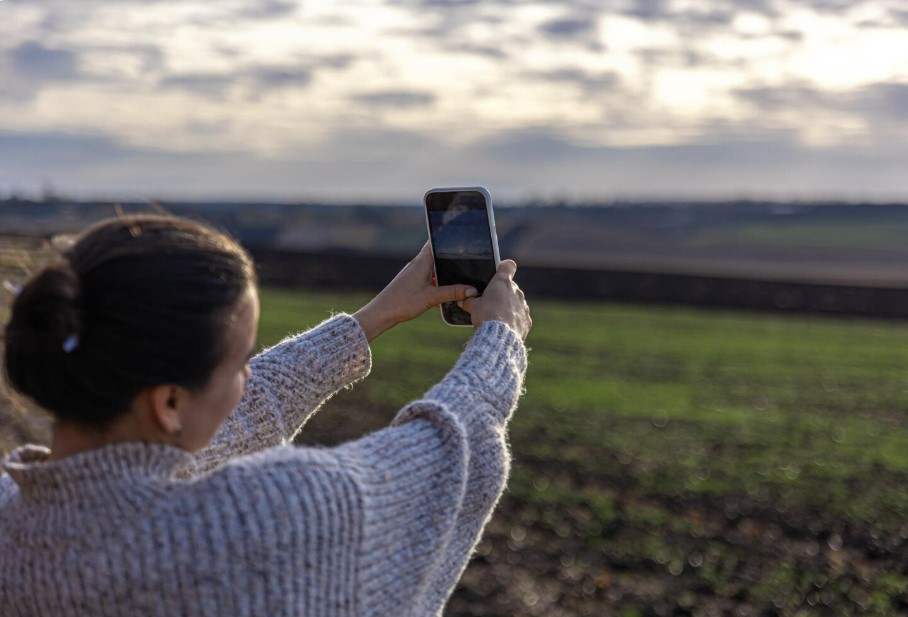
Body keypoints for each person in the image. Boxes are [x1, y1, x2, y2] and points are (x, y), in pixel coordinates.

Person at [0, 215, 531, 616]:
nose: (248, 378)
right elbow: (444, 455)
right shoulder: (255, 521)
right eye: (239, 363)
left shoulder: (13, 518)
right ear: (168, 403)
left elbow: (242, 417)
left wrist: (376, 317)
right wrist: (500, 342)